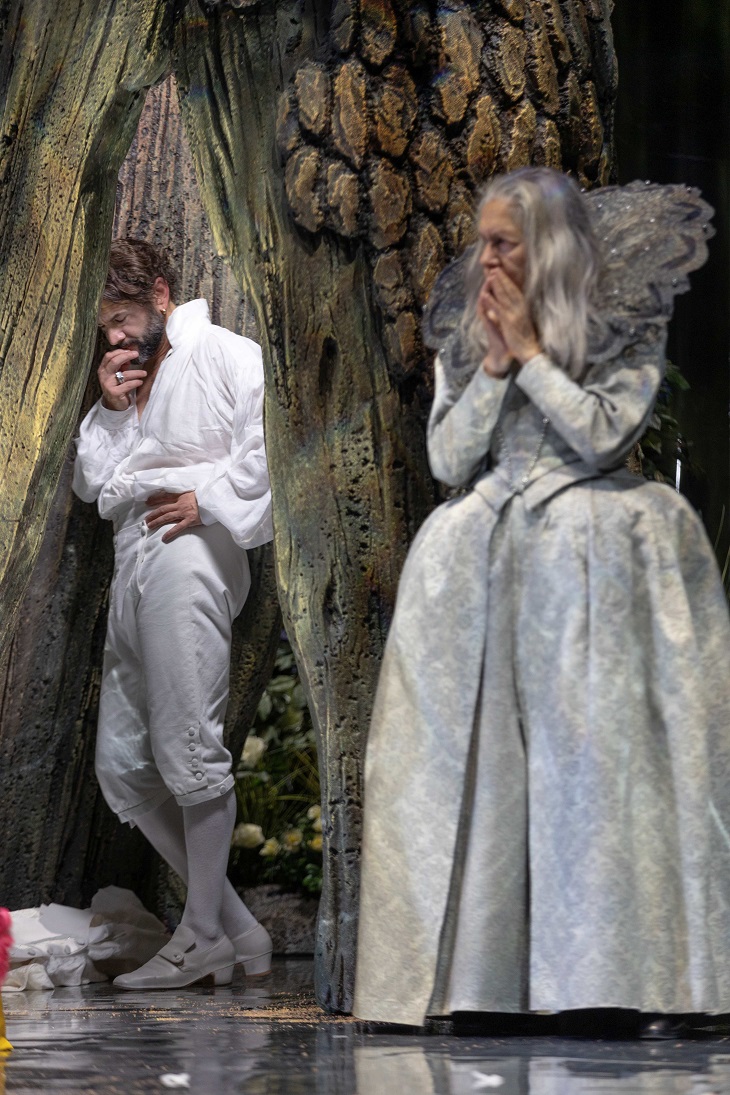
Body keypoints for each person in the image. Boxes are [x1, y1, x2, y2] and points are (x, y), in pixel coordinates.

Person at [353, 168, 730, 1031]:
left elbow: (604, 436)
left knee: (589, 770)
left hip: (585, 546)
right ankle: (485, 984)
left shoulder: (620, 324)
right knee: (482, 768)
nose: (484, 259)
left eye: (503, 243)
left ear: (548, 248)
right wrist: (492, 365)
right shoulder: (467, 334)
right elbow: (450, 460)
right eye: (482, 241)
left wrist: (530, 356)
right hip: (486, 551)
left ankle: (602, 981)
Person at [73, 239, 274, 989]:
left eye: (124, 316)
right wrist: (111, 407)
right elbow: (93, 484)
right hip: (132, 556)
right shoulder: (127, 380)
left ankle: (200, 935)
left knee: (191, 743)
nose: (115, 335)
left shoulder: (224, 352)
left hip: (190, 550)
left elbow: (267, 445)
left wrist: (207, 500)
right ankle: (237, 929)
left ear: (160, 294)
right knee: (124, 767)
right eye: (106, 323)